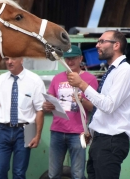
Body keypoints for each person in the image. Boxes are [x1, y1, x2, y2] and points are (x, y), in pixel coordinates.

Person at [67, 30, 130, 179]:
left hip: (111, 140)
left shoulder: (125, 71)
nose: (97, 45)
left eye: (102, 41)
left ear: (116, 45)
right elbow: (102, 107)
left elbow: (108, 106)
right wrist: (91, 133)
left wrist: (82, 84)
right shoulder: (112, 71)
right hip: (101, 140)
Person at [42, 45, 98, 179]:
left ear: (81, 59)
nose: (70, 62)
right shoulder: (57, 78)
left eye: (73, 58)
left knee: (78, 174)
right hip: (57, 130)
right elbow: (50, 101)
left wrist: (81, 101)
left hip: (78, 133)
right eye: (67, 59)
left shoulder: (90, 79)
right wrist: (47, 106)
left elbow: (94, 107)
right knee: (53, 173)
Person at [0, 57, 46, 179]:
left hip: (26, 130)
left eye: (13, 58)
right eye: (7, 58)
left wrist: (37, 135)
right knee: (0, 171)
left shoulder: (34, 80)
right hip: (3, 130)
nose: (9, 61)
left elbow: (39, 110)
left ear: (22, 60)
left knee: (19, 173)